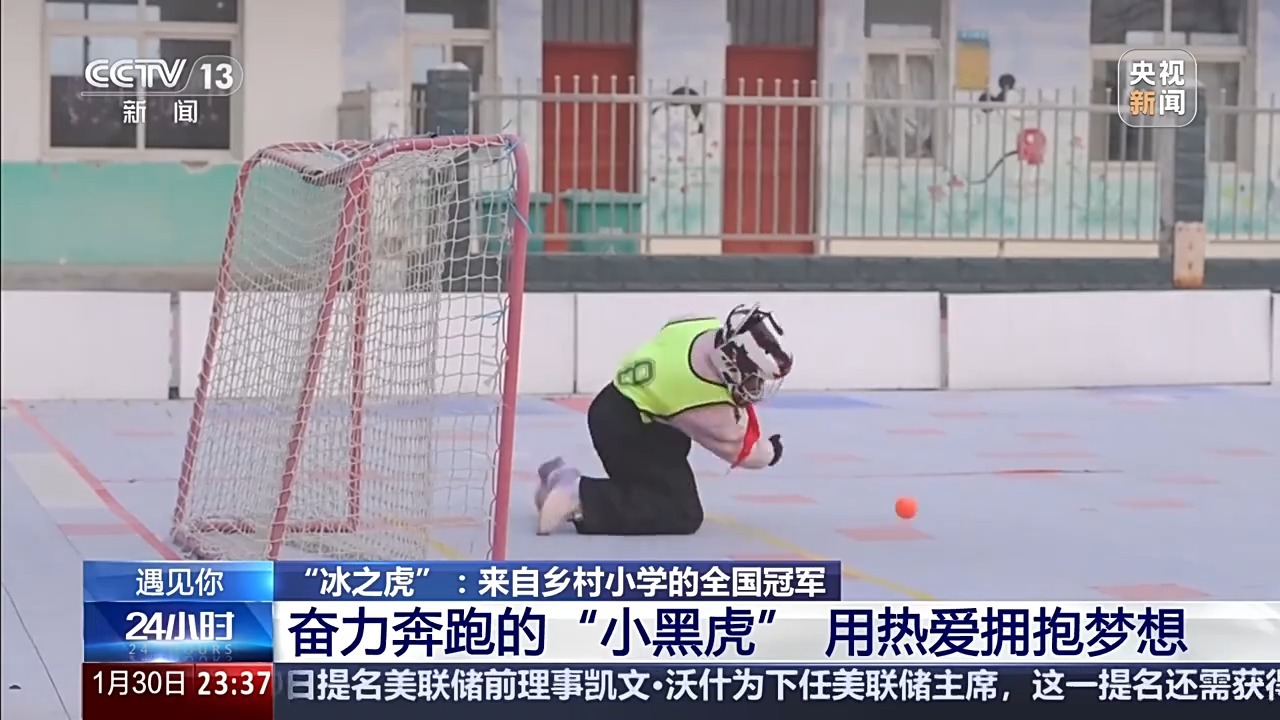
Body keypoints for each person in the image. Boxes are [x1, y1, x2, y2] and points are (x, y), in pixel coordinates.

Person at [534, 305, 793, 536]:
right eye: (753, 376)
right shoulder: (703, 402)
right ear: (731, 363)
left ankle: (560, 480)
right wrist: (771, 452)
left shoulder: (697, 324)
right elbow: (743, 451)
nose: (757, 384)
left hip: (618, 400)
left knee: (664, 475)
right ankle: (579, 494)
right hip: (628, 428)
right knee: (680, 512)